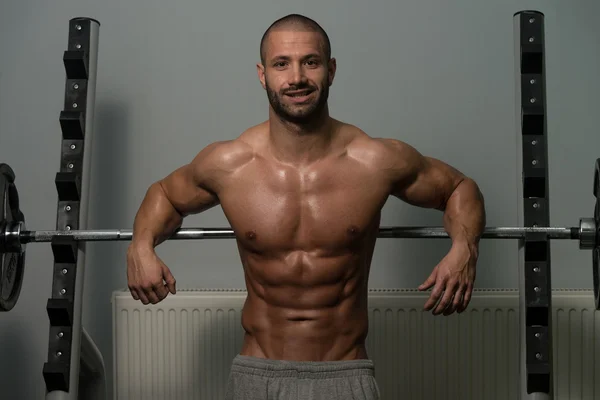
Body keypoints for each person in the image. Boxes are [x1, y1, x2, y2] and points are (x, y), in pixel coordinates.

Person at [126, 13, 486, 400]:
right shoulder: (229, 164)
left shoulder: (375, 160)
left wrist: (465, 248)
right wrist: (140, 246)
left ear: (330, 70)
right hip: (257, 374)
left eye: (310, 62)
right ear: (263, 75)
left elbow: (459, 188)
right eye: (282, 64)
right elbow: (164, 194)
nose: (296, 77)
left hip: (345, 373)